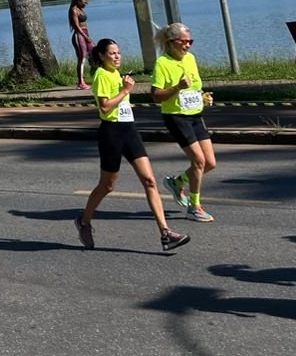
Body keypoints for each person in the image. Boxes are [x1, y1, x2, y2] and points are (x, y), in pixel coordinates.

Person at [76, 37, 190, 253]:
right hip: (111, 133)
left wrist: (126, 97)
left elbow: (119, 104)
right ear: (101, 56)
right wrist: (126, 91)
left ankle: (165, 233)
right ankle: (84, 221)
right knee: (107, 186)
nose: (117, 57)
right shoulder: (101, 75)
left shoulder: (117, 74)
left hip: (129, 130)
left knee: (149, 180)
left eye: (118, 53)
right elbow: (106, 107)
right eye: (112, 53)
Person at [151, 22, 217, 223]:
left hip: (195, 115)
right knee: (198, 161)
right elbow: (156, 96)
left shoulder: (191, 59)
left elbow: (195, 87)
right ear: (172, 42)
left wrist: (203, 97)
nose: (188, 45)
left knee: (210, 163)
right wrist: (177, 87)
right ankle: (194, 207)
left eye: (191, 41)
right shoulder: (162, 63)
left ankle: (177, 183)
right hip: (176, 117)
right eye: (184, 42)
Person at [69, 0, 95, 89]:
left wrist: (87, 36)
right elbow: (76, 26)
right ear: (78, 1)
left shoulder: (80, 9)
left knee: (94, 52)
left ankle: (95, 75)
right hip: (79, 35)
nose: (86, 3)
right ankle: (81, 83)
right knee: (82, 58)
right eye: (84, 1)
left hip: (85, 34)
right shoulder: (74, 10)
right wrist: (85, 36)